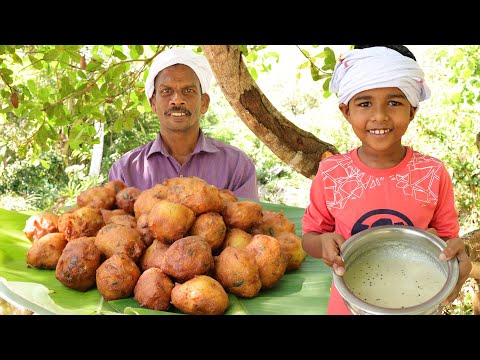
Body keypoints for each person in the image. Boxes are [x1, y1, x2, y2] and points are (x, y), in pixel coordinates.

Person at [301, 45, 472, 315]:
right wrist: (322, 243)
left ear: (412, 110)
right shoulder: (332, 173)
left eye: (394, 102)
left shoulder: (432, 173)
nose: (379, 116)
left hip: (420, 301)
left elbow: (448, 241)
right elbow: (310, 236)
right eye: (364, 103)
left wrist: (457, 253)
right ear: (346, 111)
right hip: (348, 304)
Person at [108, 47, 259, 199]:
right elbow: (115, 221)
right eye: (166, 91)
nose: (177, 100)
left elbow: (247, 219)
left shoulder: (237, 166)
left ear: (204, 103)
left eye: (188, 91)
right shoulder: (124, 170)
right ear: (153, 103)